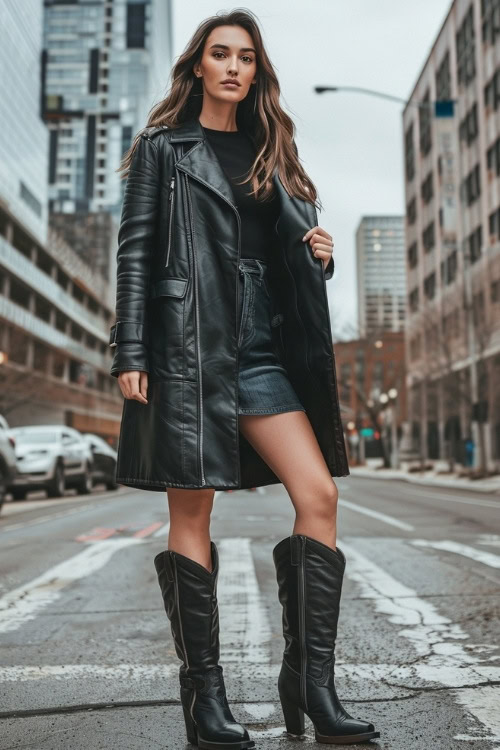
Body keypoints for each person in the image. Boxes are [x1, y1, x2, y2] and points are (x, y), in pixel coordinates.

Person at [110, 9, 380, 747]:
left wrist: (320, 253)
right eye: (220, 54)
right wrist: (129, 349)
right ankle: (206, 701)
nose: (233, 66)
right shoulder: (163, 148)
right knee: (192, 516)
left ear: (258, 71)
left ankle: (309, 683)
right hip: (186, 347)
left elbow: (290, 250)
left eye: (247, 58)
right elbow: (135, 255)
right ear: (198, 64)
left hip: (262, 348)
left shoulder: (274, 150)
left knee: (317, 492)